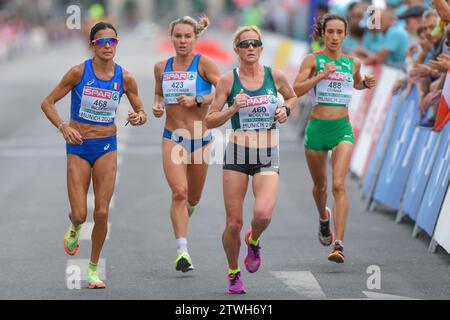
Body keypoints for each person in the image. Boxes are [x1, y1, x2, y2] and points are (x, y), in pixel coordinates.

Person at [41, 22, 147, 288]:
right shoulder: (78, 72)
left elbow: (142, 112)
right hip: (77, 147)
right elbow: (47, 102)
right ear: (93, 45)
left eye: (113, 41)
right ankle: (75, 227)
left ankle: (92, 269)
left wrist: (138, 117)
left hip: (105, 147)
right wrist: (63, 127)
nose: (108, 46)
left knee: (101, 212)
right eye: (103, 42)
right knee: (79, 214)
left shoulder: (126, 77)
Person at [205, 26, 297, 294]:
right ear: (237, 49)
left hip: (268, 153)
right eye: (244, 44)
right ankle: (234, 272)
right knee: (233, 223)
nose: (250, 48)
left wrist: (285, 109)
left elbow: (292, 97)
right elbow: (210, 119)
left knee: (262, 213)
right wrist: (233, 107)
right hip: (237, 153)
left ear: (261, 47)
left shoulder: (274, 75)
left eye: (255, 43)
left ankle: (254, 240)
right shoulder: (227, 81)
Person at [292, 14, 376, 264]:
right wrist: (320, 75)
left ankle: (338, 243)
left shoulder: (353, 62)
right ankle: (323, 218)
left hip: (342, 128)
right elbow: (295, 90)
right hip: (317, 129)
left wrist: (365, 83)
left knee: (339, 184)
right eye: (330, 32)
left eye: (340, 32)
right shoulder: (313, 60)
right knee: (321, 187)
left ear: (345, 35)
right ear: (323, 34)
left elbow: (357, 84)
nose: (335, 37)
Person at [152, 15, 220, 273]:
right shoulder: (161, 66)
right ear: (171, 37)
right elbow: (159, 94)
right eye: (178, 36)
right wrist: (157, 106)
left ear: (195, 38)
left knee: (193, 197)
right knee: (179, 191)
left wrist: (199, 100)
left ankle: (187, 209)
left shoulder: (204, 64)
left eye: (187, 36)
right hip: (173, 137)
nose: (182, 41)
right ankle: (182, 251)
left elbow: (224, 90)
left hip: (200, 139)